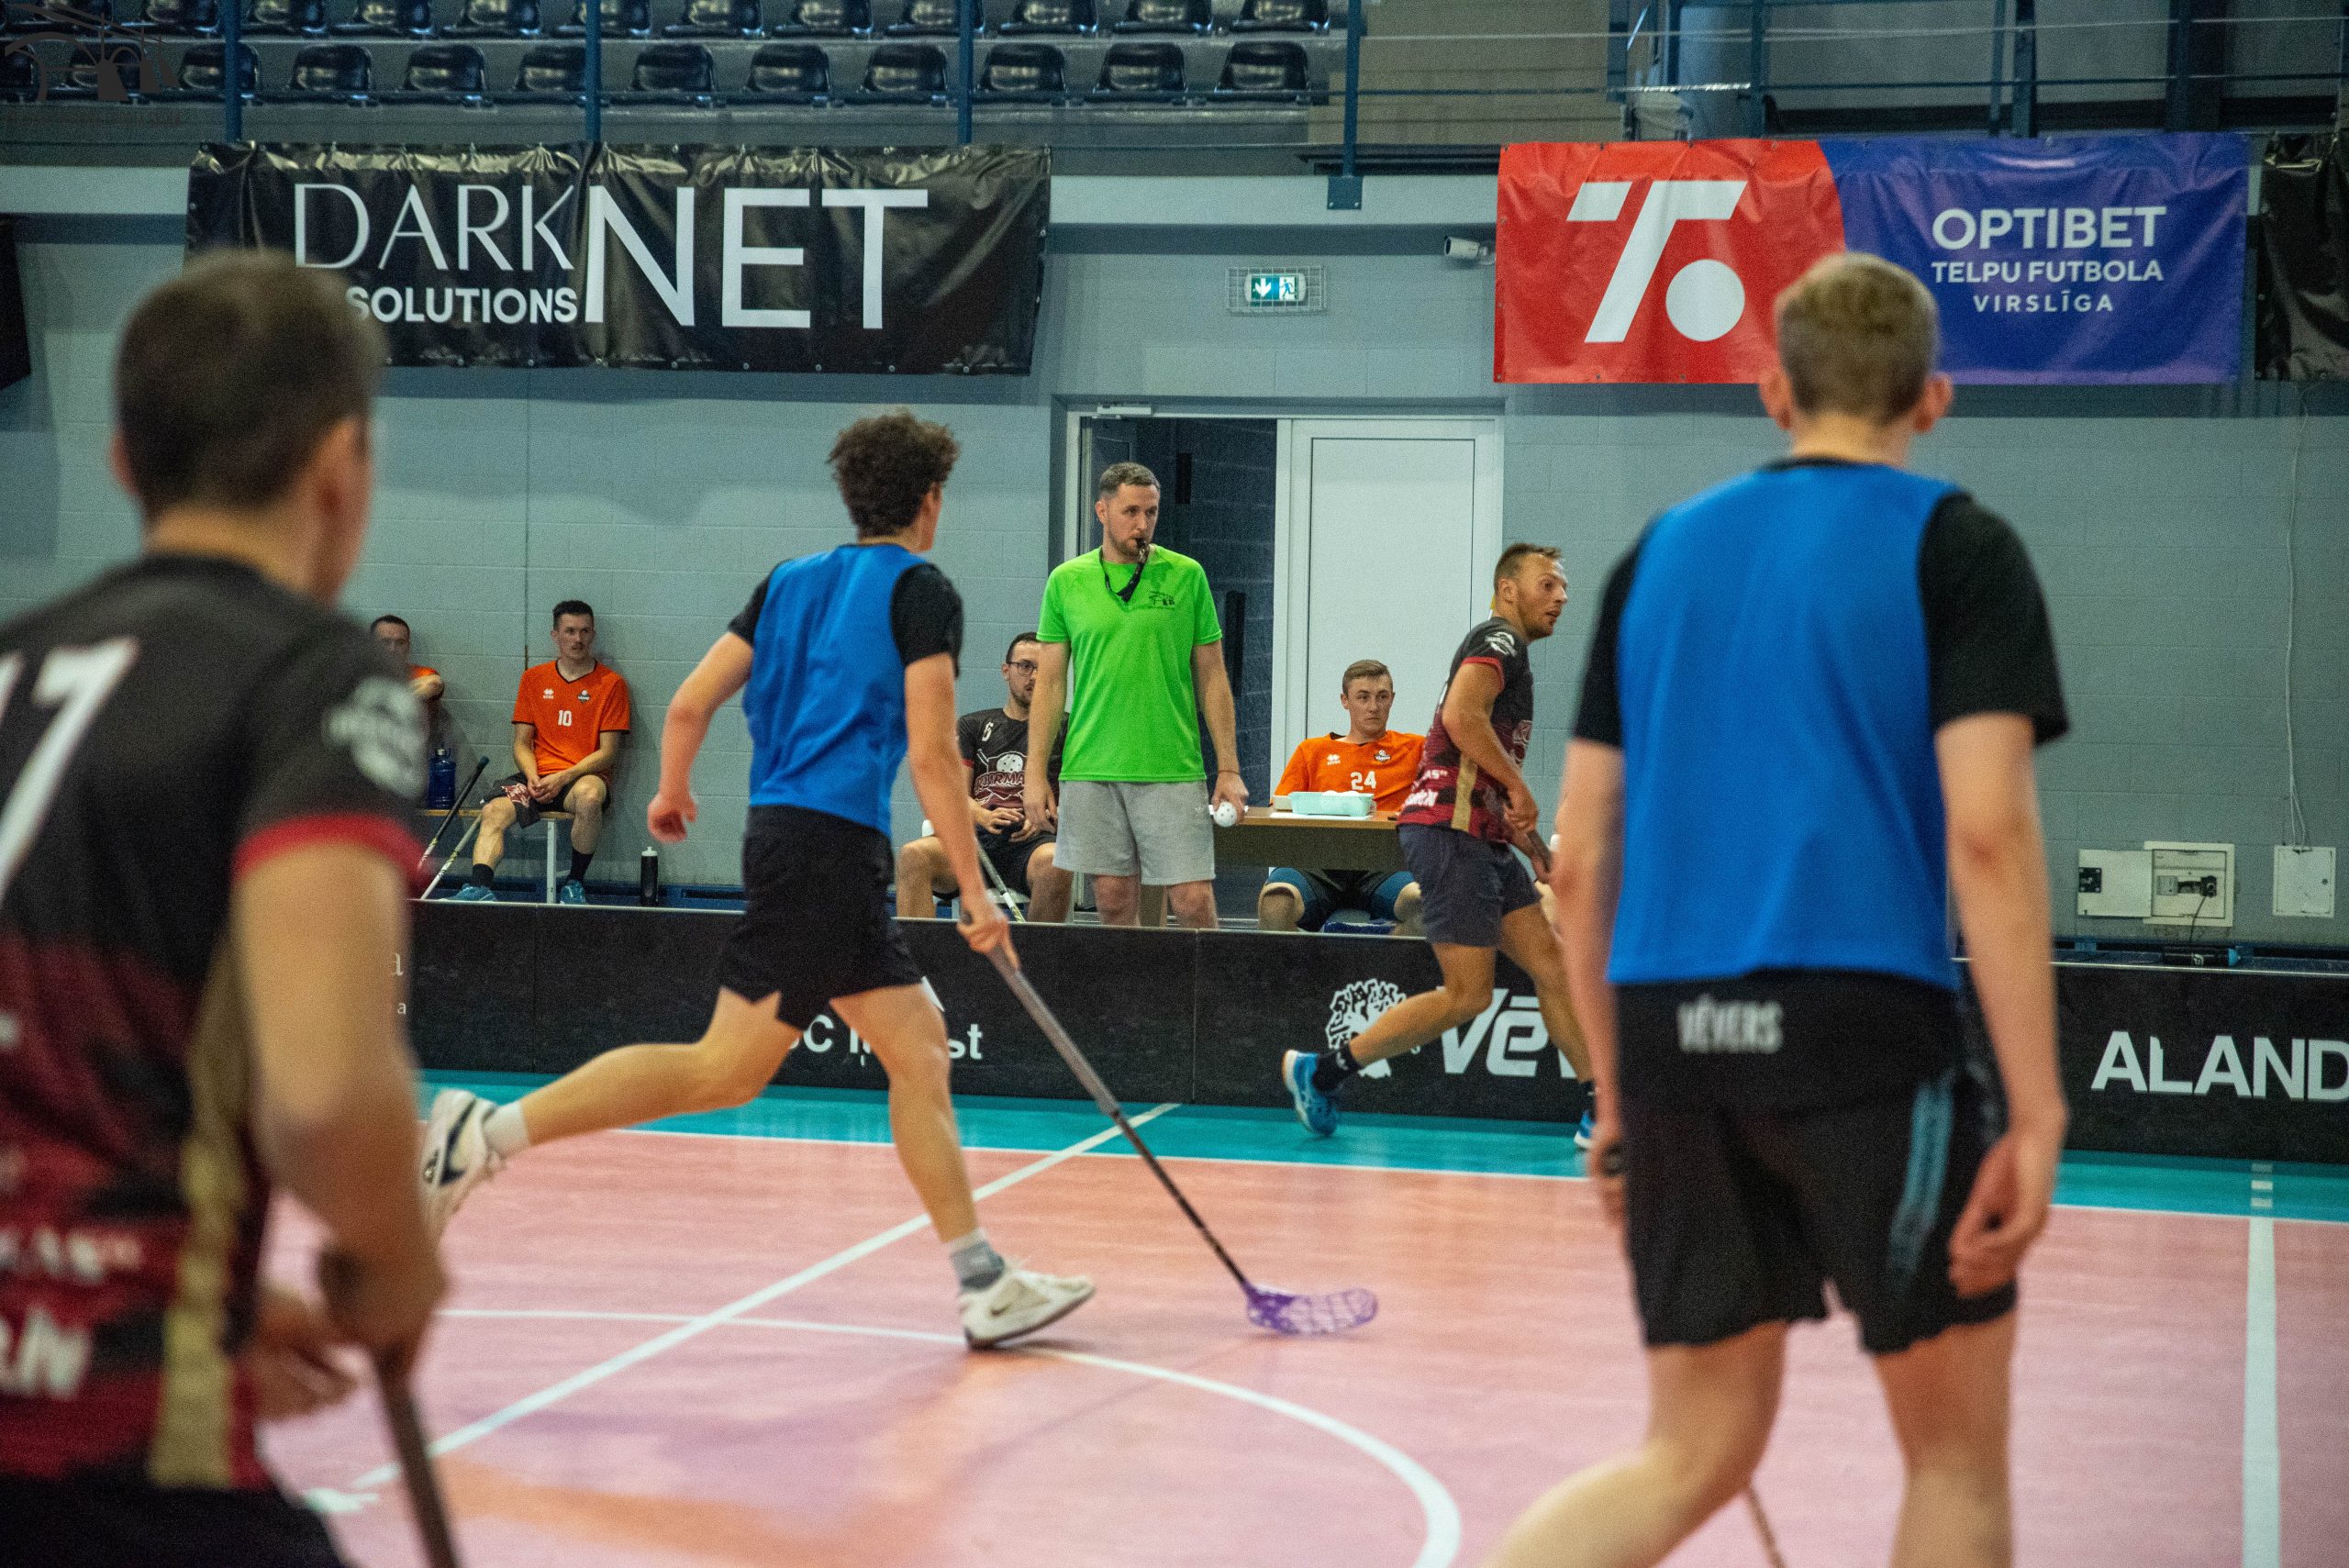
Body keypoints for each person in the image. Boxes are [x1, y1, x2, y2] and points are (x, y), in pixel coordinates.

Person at [1484, 253, 2069, 1568]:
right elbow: (1987, 832)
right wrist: (2036, 1110)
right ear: (1932, 398)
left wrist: (1618, 1098)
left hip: (1674, 1035)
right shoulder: (1961, 546)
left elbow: (1581, 858)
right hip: (1863, 1029)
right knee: (1954, 1462)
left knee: (1689, 1453)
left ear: (1772, 393)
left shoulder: (1657, 555)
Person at [417, 410, 1093, 1349]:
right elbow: (935, 754)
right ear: (930, 500)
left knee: (919, 1049)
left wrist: (672, 791)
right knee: (724, 1068)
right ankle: (482, 1135)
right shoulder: (921, 590)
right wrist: (977, 895)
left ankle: (983, 1279)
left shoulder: (786, 581)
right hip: (825, 854)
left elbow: (692, 700)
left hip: (789, 840)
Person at [0, 252, 445, 1567]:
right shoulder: (314, 680)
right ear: (341, 467)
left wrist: (222, 1310)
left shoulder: (18, 662)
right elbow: (327, 1095)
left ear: (123, 462)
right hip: (115, 1458)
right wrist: (394, 1254)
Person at [1280, 545, 1594, 1142]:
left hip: (1483, 837)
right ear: (1508, 589)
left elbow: (1485, 779)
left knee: (1552, 965)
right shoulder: (1498, 639)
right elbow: (1460, 716)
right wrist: (1521, 785)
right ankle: (1322, 1071)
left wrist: (1535, 849)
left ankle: (1598, 1106)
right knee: (1468, 995)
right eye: (1547, 584)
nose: (1561, 596)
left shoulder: (1514, 656)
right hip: (1449, 834)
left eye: (1563, 586)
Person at [1023, 462, 1246, 929]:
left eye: (1151, 512)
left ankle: (1209, 981)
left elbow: (1212, 676)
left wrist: (1228, 767)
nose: (1142, 524)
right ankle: (1133, 982)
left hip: (1171, 765)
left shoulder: (1186, 576)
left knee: (1192, 899)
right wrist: (1035, 773)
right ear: (1102, 512)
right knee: (1112, 899)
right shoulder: (1066, 580)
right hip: (1092, 765)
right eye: (1130, 512)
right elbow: (1051, 684)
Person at [453, 600, 630, 905]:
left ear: (593, 634)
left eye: (585, 631)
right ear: (555, 635)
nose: (578, 639)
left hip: (580, 778)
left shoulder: (611, 684)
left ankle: (574, 885)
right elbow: (521, 743)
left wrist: (564, 777)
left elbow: (608, 753)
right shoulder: (533, 679)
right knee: (493, 810)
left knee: (590, 798)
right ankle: (479, 889)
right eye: (570, 631)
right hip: (536, 778)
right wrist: (533, 776)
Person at [897, 631, 1074, 923]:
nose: (1033, 676)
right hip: (974, 840)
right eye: (1025, 666)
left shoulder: (1067, 728)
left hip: (1033, 842)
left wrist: (1044, 815)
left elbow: (1077, 795)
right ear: (1006, 670)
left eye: (1043, 669)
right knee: (913, 856)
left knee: (1055, 863)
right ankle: (920, 954)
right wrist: (982, 815)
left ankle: (1035, 953)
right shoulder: (973, 725)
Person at [1259, 658, 1425, 933]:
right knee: (1275, 901)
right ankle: (1312, 960)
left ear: (1392, 699)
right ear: (1345, 701)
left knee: (1426, 902)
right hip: (1318, 862)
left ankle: (1377, 955)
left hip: (1385, 864)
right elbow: (1280, 812)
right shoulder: (1312, 751)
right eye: (1363, 697)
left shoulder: (1416, 748)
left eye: (1382, 696)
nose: (1373, 707)